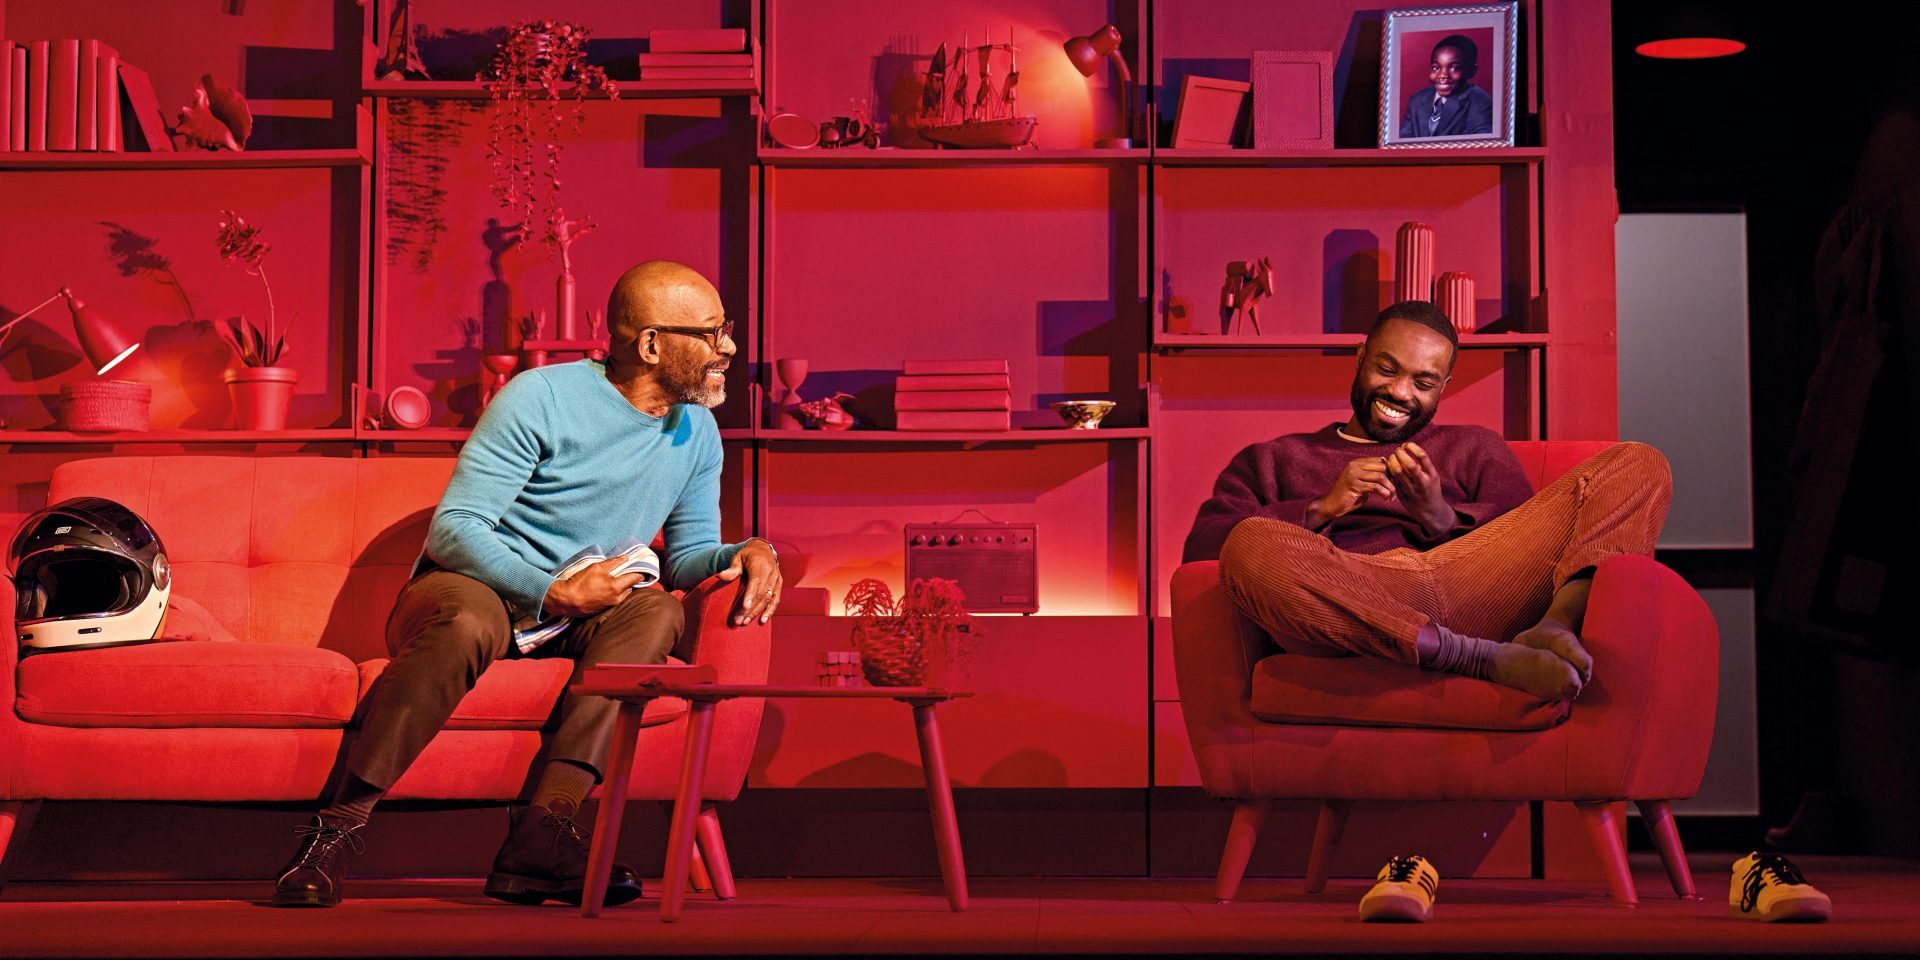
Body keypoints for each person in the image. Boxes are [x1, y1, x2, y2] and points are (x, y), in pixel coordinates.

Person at [272, 260, 781, 909]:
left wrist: (747, 551)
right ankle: (333, 833)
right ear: (651, 344)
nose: (729, 347)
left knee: (656, 613)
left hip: (582, 611)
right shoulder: (540, 397)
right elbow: (455, 528)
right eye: (713, 332)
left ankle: (541, 838)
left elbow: (687, 557)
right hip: (469, 588)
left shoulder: (696, 431)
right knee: (470, 622)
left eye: (726, 330)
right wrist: (553, 590)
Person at [1182, 300, 1671, 700]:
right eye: (1386, 369)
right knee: (1251, 542)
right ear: (1360, 358)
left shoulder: (1474, 447)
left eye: (1423, 382)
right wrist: (1320, 509)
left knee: (1639, 460)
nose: (1399, 392)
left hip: (1468, 586)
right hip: (1350, 604)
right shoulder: (1276, 458)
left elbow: (1530, 547)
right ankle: (1475, 659)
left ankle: (1552, 628)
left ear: (1444, 387)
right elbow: (1204, 550)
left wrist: (1439, 517)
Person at [1397, 34, 1494, 139]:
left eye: (1454, 68)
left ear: (1472, 71)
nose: (1443, 75)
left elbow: (1483, 144)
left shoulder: (1480, 101)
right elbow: (1403, 141)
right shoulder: (1417, 100)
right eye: (1436, 67)